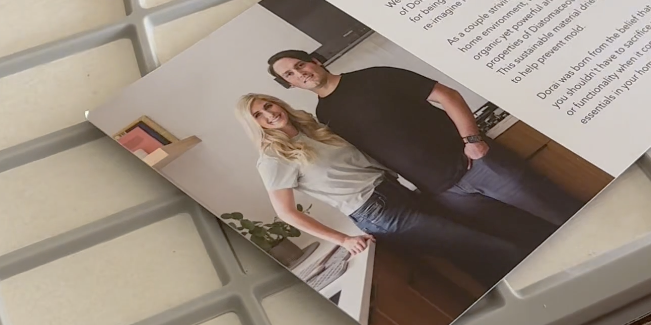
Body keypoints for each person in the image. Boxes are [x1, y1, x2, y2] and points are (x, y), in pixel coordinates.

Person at [266, 50, 585, 241]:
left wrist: (473, 142)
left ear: (316, 61)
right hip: (445, 194)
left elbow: (447, 95)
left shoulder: (374, 76)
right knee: (531, 238)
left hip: (480, 165)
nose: (299, 74)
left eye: (300, 65)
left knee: (564, 213)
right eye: (290, 74)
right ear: (290, 84)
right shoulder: (324, 116)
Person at [236, 94, 534, 294]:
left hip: (396, 192)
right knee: (492, 247)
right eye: (259, 115)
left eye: (268, 106)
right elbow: (286, 213)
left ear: (279, 103)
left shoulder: (311, 129)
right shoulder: (274, 157)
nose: (269, 114)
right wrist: (343, 240)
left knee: (471, 253)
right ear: (255, 125)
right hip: (380, 213)